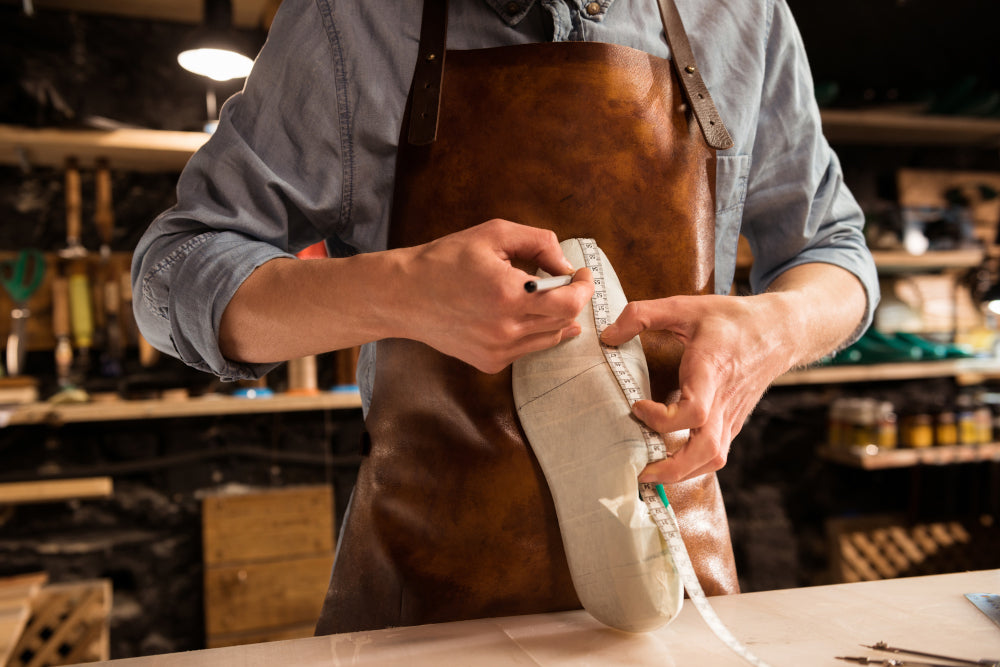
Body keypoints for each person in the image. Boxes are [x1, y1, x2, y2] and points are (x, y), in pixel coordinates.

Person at [132, 0, 878, 634]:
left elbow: (836, 252)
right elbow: (171, 271)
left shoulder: (744, 14)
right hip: (425, 610)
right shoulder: (350, 17)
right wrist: (399, 290)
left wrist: (771, 330)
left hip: (672, 603)